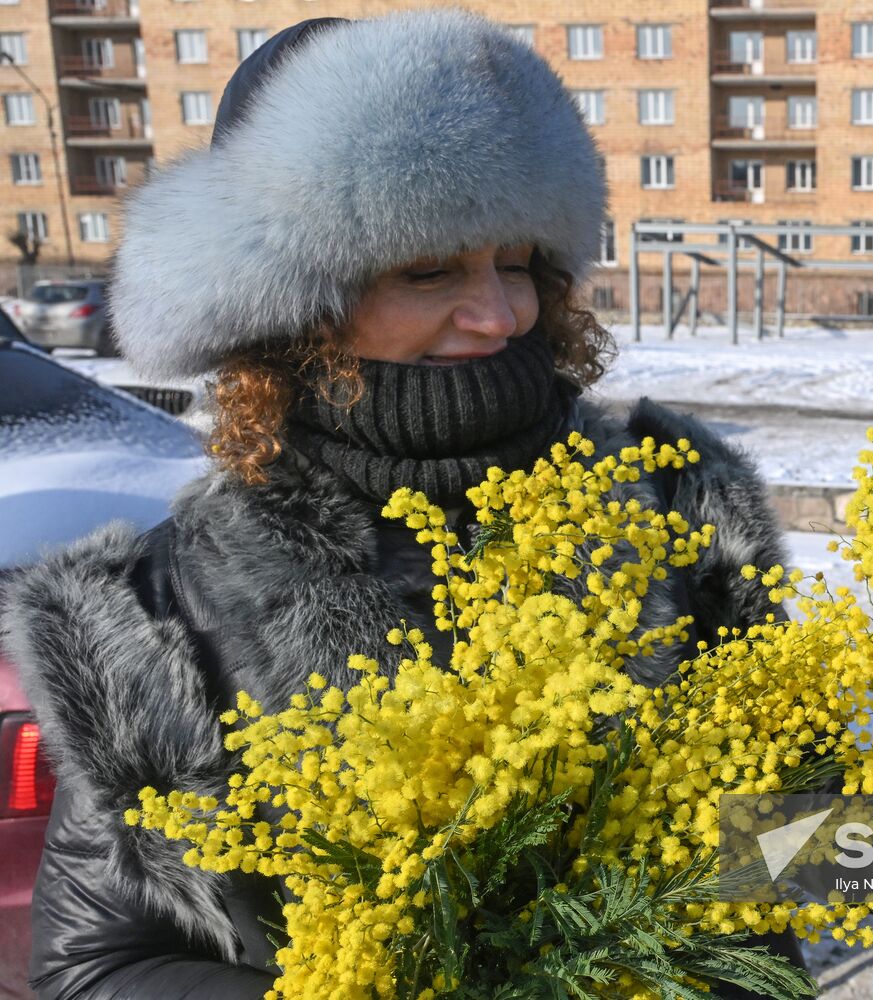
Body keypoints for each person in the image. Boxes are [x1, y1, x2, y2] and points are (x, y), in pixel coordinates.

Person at [0, 13, 802, 997]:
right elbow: (96, 965)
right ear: (292, 301)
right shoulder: (152, 615)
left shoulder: (677, 502)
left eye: (516, 261)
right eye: (430, 269)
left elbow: (792, 848)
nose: (499, 312)